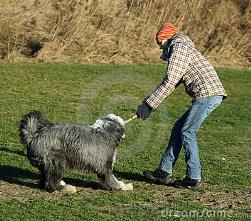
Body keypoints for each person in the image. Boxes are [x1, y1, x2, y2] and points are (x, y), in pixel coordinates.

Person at [136, 22, 227, 189]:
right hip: (208, 93)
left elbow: (170, 81)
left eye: (159, 42)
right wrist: (149, 103)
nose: (159, 46)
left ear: (166, 37)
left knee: (187, 131)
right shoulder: (181, 47)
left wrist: (148, 104)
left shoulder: (179, 49)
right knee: (179, 128)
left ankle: (194, 177)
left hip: (208, 94)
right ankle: (164, 171)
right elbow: (175, 79)